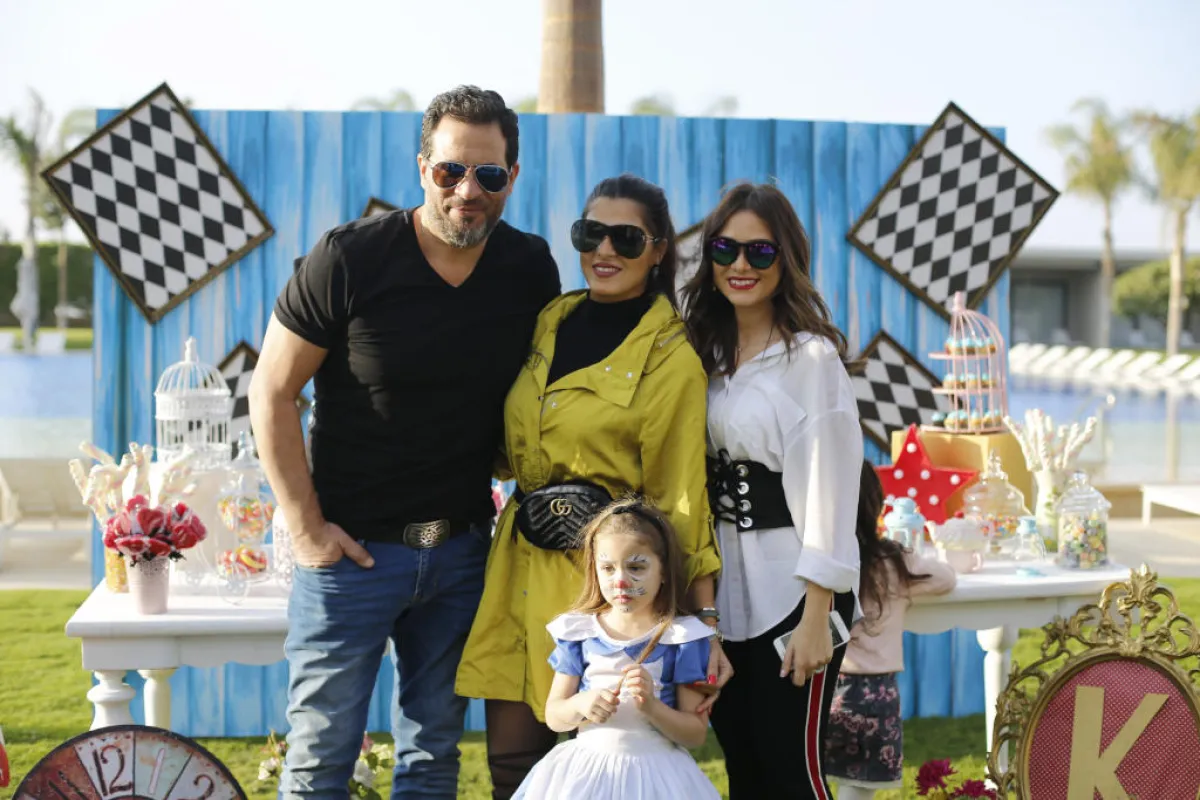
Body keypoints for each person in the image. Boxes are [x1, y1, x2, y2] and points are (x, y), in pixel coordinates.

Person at [249, 85, 561, 799]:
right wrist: (305, 529)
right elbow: (271, 392)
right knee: (320, 761)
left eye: (488, 174)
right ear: (423, 168)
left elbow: (539, 399)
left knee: (433, 759)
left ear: (512, 177)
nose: (467, 191)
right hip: (349, 555)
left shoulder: (529, 269)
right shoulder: (350, 257)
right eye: (450, 170)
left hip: (460, 552)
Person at [455, 173, 727, 799]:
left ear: (658, 251)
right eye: (590, 233)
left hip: (608, 584)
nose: (604, 250)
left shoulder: (670, 357)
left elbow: (682, 497)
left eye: (625, 238)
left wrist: (702, 620)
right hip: (520, 564)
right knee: (512, 769)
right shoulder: (552, 320)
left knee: (611, 772)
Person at [682, 181, 863, 800]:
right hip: (726, 593)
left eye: (760, 252)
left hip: (797, 593)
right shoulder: (703, 353)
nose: (740, 265)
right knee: (745, 766)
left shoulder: (810, 359)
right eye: (725, 249)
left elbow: (832, 486)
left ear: (786, 260)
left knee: (792, 772)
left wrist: (817, 614)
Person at [512, 498, 721, 800]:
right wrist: (581, 704)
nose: (620, 580)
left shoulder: (681, 638)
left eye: (636, 567)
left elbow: (695, 734)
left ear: (663, 571)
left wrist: (652, 707)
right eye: (608, 568)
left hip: (657, 778)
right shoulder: (579, 632)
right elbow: (554, 716)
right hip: (586, 775)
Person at [826, 463, 956, 799]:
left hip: (829, 689)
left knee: (816, 779)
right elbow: (946, 579)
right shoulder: (893, 560)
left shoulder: (825, 562)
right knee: (858, 791)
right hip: (878, 694)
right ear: (878, 507)